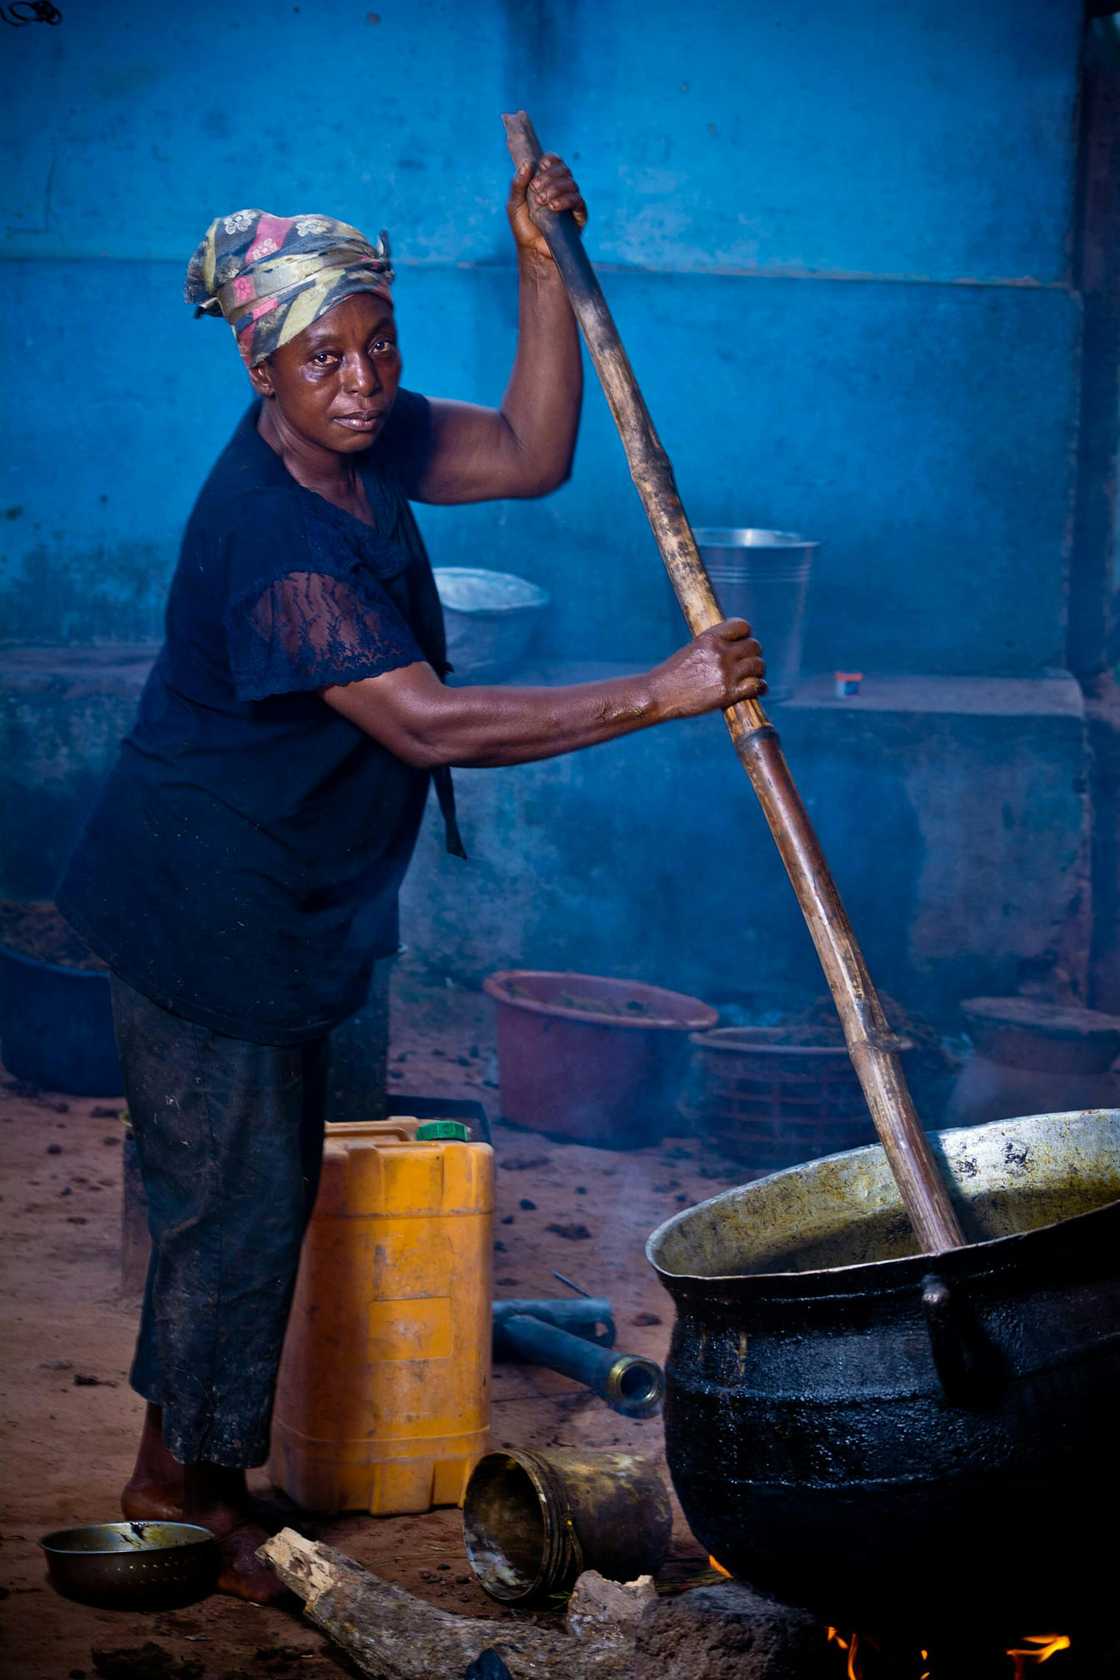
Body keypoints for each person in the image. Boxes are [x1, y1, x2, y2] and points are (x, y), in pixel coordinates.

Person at [57, 155, 765, 1601]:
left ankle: (207, 1470)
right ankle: (179, 1496)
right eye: (326, 356)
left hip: (309, 900)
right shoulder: (273, 535)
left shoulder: (364, 443)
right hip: (210, 907)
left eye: (379, 344)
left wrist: (533, 260)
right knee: (231, 1206)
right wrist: (663, 689)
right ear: (264, 363)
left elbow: (531, 447)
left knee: (266, 1198)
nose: (364, 379)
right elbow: (432, 722)